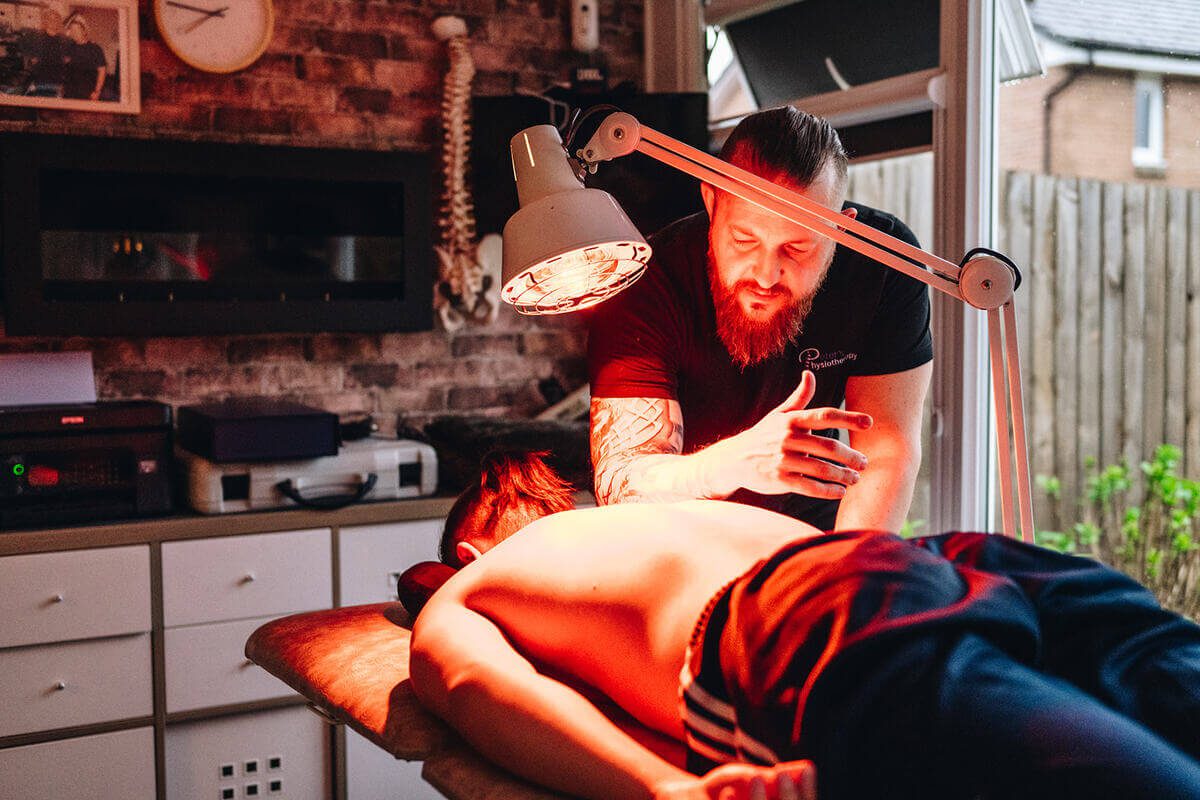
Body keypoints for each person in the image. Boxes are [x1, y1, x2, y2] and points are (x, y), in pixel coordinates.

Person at [410, 451, 1200, 800]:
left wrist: (667, 790)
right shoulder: (646, 520)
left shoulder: (472, 582)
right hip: (953, 561)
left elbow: (471, 682)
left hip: (807, 616)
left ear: (468, 550)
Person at [587, 106, 932, 532]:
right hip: (679, 532)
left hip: (814, 528)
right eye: (744, 239)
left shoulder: (882, 263)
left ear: (842, 230)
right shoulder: (649, 279)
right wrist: (731, 464)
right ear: (711, 202)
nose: (766, 275)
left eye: (799, 248)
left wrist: (847, 574)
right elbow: (621, 483)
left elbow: (884, 453)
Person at [62, 14, 106, 101]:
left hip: (88, 94)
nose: (74, 32)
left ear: (84, 31)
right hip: (69, 94)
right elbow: (65, 68)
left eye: (76, 30)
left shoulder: (95, 48)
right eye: (72, 30)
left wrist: (97, 92)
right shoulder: (69, 47)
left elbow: (102, 71)